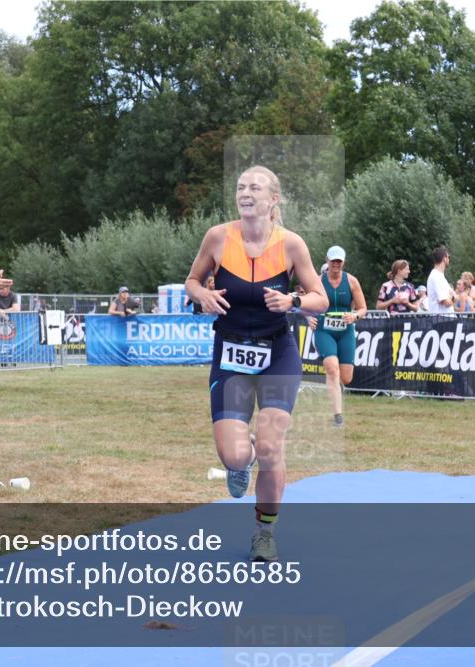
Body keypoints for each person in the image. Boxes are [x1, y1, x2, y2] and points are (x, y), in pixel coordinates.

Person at [185, 165, 327, 562]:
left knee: (270, 446)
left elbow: (320, 297)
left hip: (277, 354)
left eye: (255, 187)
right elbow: (192, 281)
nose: (245, 192)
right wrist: (202, 296)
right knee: (234, 456)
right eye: (241, 187)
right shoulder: (217, 237)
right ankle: (240, 459)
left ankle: (264, 532)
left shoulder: (291, 244)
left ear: (273, 199)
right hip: (230, 352)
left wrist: (293, 302)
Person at [307, 245, 367, 427]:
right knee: (332, 368)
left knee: (346, 377)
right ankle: (338, 417)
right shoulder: (317, 281)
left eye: (339, 261)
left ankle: (336, 388)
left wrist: (355, 315)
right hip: (324, 329)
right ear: (327, 261)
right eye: (333, 260)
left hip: (345, 330)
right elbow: (305, 304)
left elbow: (363, 308)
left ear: (343, 262)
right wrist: (309, 317)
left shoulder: (352, 281)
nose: (336, 264)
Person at [426, 246, 455, 314]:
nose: (449, 259)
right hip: (441, 319)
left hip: (444, 318)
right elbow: (446, 302)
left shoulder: (439, 276)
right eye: (448, 257)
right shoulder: (436, 276)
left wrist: (451, 297)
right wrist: (453, 297)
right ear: (444, 258)